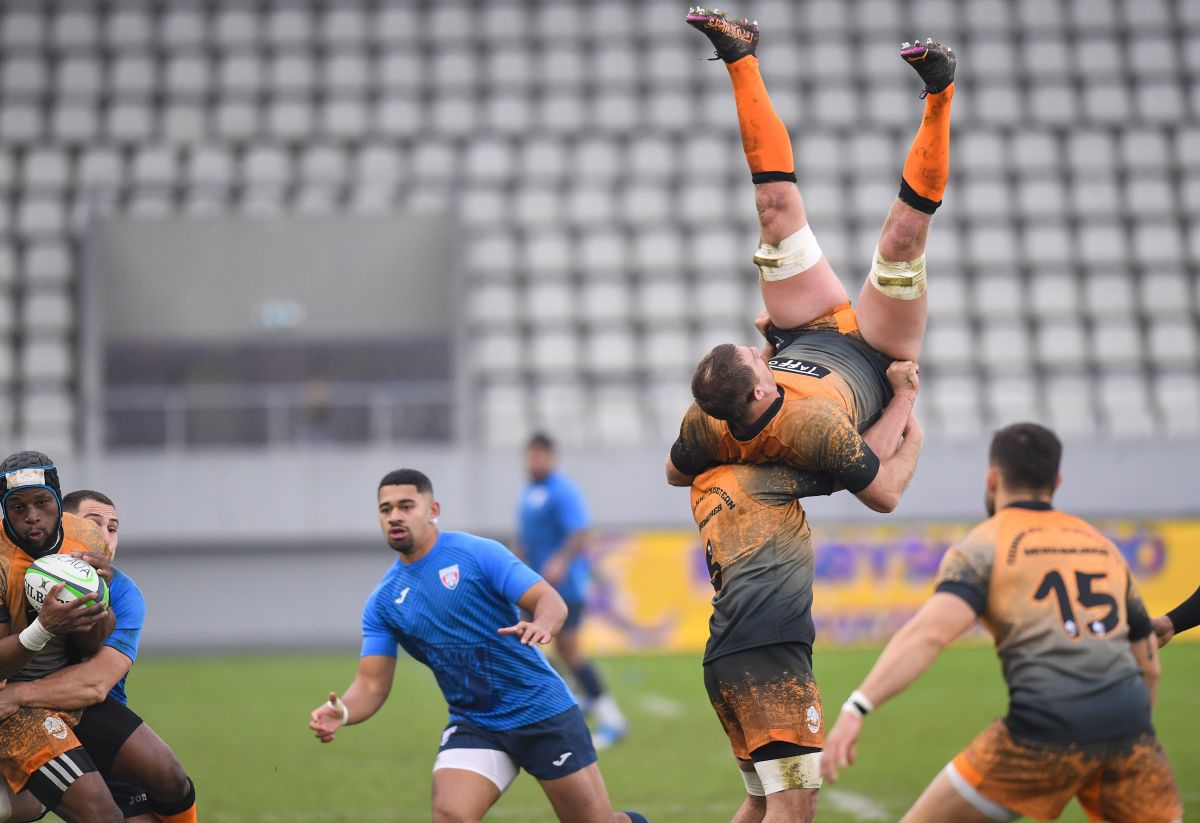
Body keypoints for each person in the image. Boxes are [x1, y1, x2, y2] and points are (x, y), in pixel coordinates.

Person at [821, 423, 1183, 823]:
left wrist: (857, 707)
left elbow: (929, 634)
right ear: (1056, 481)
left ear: (993, 479)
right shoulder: (1103, 548)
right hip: (1129, 733)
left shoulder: (984, 546)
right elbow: (1147, 663)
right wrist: (1130, 734)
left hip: (1041, 735)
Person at [667, 9, 954, 509]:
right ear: (759, 393)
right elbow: (883, 496)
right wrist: (905, 396)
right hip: (878, 355)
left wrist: (754, 447)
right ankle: (941, 93)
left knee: (773, 210)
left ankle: (741, 56)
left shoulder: (708, 422)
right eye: (758, 361)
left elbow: (674, 472)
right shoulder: (815, 428)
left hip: (806, 329)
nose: (760, 354)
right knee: (902, 241)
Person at [309, 469, 649, 823]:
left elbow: (550, 600)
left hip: (540, 711)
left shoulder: (477, 553)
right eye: (386, 509)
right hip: (476, 722)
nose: (395, 515)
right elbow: (372, 683)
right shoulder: (383, 602)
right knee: (450, 815)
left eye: (406, 506)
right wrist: (343, 711)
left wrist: (542, 624)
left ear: (432, 509)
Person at [691, 381, 920, 823]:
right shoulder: (758, 479)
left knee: (761, 802)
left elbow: (743, 406)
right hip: (769, 659)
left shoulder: (703, 482)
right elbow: (865, 467)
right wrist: (907, 410)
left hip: (726, 657)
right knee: (794, 805)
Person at [0, 490, 197, 823]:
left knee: (171, 777)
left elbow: (93, 684)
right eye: (94, 525)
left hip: (96, 724)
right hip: (30, 728)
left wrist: (15, 695)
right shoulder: (13, 573)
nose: (105, 537)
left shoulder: (124, 594)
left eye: (113, 527)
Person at [0, 452, 124, 822]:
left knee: (169, 776)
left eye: (42, 503)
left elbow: (94, 647)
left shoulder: (85, 537)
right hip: (10, 707)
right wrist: (44, 628)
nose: (32, 516)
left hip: (68, 693)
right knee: (101, 813)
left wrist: (98, 595)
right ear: (4, 512)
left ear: (58, 500)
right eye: (17, 507)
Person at [518, 433, 627, 748]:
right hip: (534, 587)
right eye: (530, 455)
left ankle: (612, 719)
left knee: (569, 650)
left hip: (564, 587)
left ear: (552, 457)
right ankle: (575, 702)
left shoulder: (562, 491)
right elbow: (530, 538)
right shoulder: (529, 493)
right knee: (532, 650)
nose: (534, 461)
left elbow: (580, 532)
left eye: (540, 455)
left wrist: (560, 560)